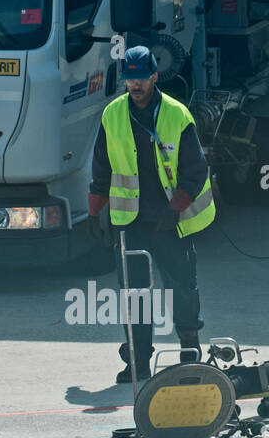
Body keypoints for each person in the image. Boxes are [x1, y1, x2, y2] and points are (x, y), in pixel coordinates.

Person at [87, 45, 216, 383]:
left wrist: (176, 210)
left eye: (142, 78)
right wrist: (94, 213)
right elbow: (101, 167)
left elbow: (195, 170)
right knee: (134, 294)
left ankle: (189, 351)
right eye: (130, 79)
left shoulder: (176, 115)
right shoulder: (112, 114)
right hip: (130, 223)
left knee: (182, 287)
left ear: (154, 77)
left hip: (170, 223)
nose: (136, 85)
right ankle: (138, 361)